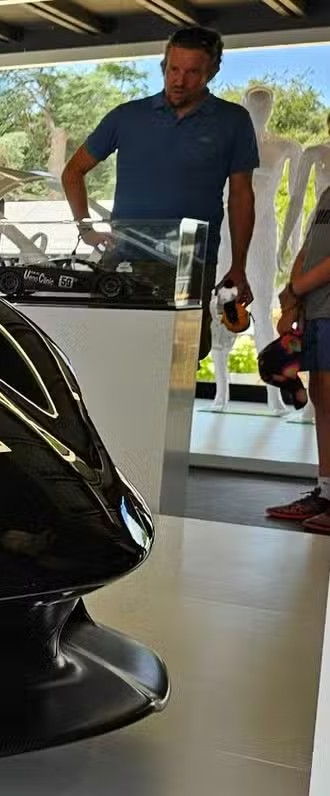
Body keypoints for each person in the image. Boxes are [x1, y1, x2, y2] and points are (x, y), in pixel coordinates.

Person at [61, 26, 259, 359]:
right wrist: (86, 229)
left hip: (190, 261)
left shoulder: (233, 121)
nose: (179, 80)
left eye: (192, 72)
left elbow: (241, 197)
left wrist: (239, 266)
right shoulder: (126, 116)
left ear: (212, 71)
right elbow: (72, 172)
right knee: (109, 352)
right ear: (163, 66)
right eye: (173, 69)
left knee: (181, 358)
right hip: (124, 257)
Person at [265, 185, 330, 531]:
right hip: (317, 310)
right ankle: (326, 492)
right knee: (322, 397)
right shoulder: (327, 194)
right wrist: (293, 303)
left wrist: (294, 290)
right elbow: (308, 249)